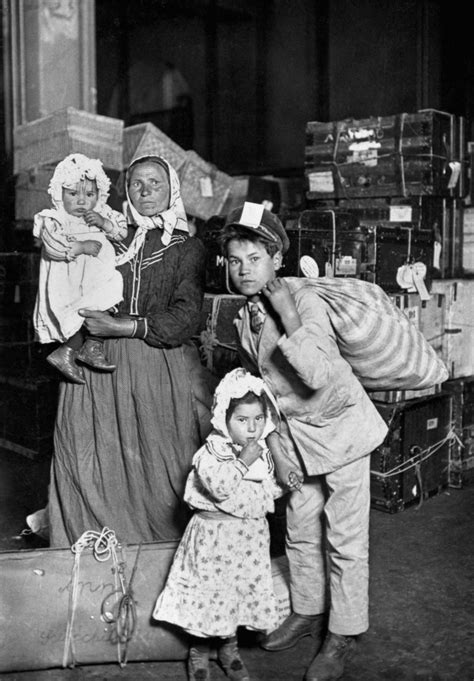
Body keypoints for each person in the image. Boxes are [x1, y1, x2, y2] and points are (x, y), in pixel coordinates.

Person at [218, 202, 389, 681]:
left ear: (277, 258)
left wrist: (289, 312)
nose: (244, 269)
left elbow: (314, 372)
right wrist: (275, 448)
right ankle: (309, 610)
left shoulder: (303, 299)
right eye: (234, 260)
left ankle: (344, 633)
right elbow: (264, 390)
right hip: (296, 439)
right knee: (298, 528)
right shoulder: (244, 313)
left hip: (341, 431)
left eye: (254, 258)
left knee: (346, 538)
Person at [46, 153, 209, 547]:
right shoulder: (111, 238)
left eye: (155, 182)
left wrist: (122, 325)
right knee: (88, 456)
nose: (146, 190)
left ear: (173, 189)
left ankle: (157, 556)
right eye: (137, 184)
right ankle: (90, 547)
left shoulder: (188, 248)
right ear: (126, 193)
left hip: (154, 364)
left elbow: (186, 317)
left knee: (158, 466)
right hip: (94, 365)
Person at [153, 367, 302, 681]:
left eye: (259, 419)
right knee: (211, 596)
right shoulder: (211, 453)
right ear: (224, 419)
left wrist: (282, 484)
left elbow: (261, 494)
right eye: (242, 420)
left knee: (235, 596)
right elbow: (220, 487)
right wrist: (243, 461)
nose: (252, 429)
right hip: (214, 540)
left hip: (247, 542)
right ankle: (199, 652)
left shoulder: (261, 455)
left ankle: (229, 649)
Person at [33, 153, 127, 384]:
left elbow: (122, 232)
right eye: (73, 194)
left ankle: (91, 347)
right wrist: (79, 246)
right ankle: (68, 350)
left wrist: (104, 223)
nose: (82, 201)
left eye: (90, 194)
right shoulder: (55, 218)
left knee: (109, 299)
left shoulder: (103, 213)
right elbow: (52, 246)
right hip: (70, 280)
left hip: (99, 276)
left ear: (100, 194)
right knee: (79, 313)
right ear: (59, 193)